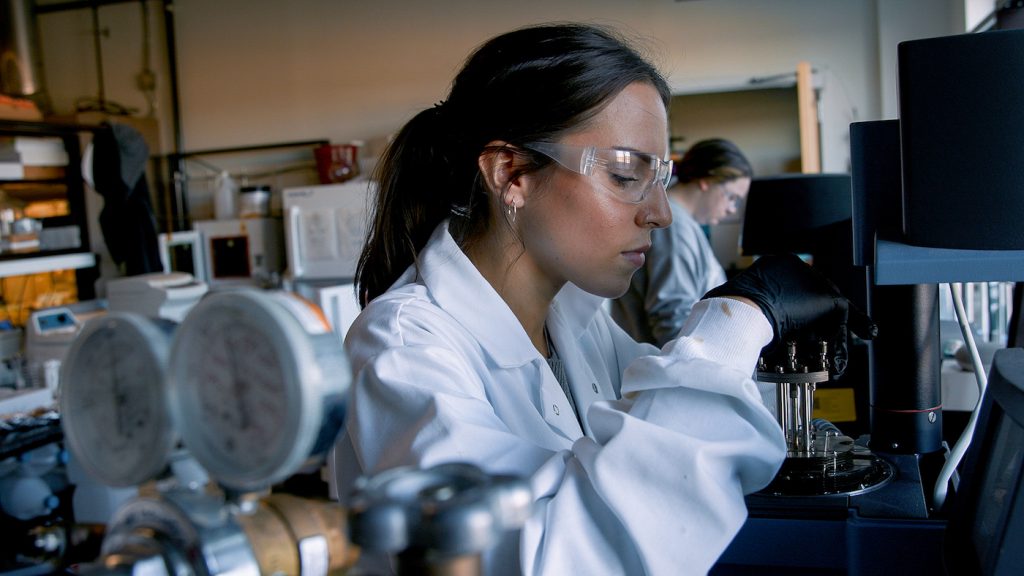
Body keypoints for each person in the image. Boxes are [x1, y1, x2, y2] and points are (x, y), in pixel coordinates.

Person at [335, 22, 874, 575]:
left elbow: (671, 427)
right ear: (511, 173)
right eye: (624, 174)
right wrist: (736, 320)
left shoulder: (578, 323)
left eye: (659, 177)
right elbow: (551, 560)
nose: (660, 213)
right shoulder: (402, 348)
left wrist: (782, 366)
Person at [612, 138, 753, 347]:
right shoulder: (674, 227)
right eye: (732, 197)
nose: (732, 208)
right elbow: (672, 318)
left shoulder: (684, 224)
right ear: (707, 181)